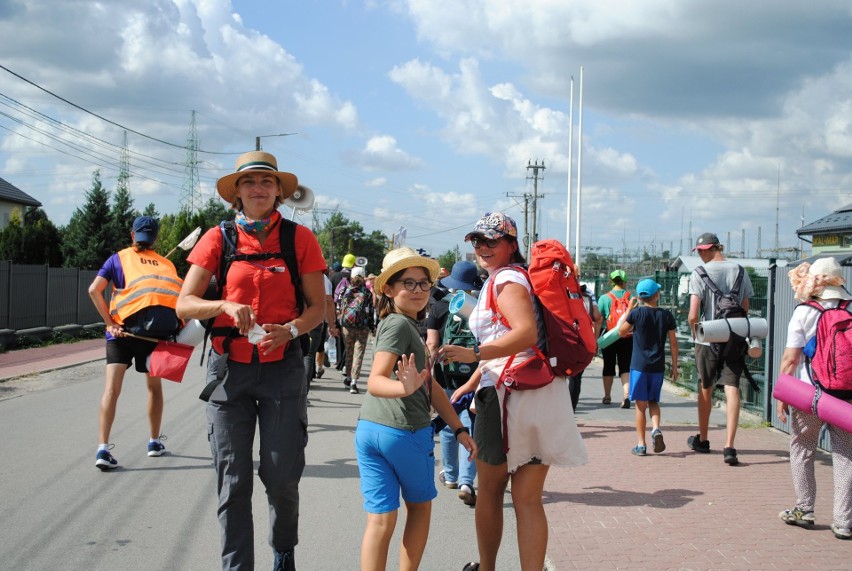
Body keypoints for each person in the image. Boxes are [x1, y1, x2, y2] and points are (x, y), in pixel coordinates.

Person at [175, 150, 327, 570]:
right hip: (228, 373)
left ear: (279, 191)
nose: (258, 189)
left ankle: (283, 551)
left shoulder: (300, 240)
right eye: (249, 182)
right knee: (232, 480)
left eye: (266, 182)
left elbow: (318, 308)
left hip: (283, 371)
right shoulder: (217, 239)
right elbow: (184, 304)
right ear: (236, 193)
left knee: (281, 478)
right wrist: (222, 305)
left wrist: (292, 330)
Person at [439, 212, 587, 571]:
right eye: (477, 241)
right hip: (543, 393)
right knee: (528, 498)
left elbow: (523, 334)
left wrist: (474, 355)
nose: (482, 248)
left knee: (490, 490)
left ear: (510, 244)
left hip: (508, 397)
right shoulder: (519, 277)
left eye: (491, 241)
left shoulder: (505, 280)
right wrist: (473, 380)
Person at [355, 247, 476, 571]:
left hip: (371, 430)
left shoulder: (399, 323)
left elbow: (431, 387)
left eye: (424, 283)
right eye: (408, 283)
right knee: (419, 509)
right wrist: (403, 388)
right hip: (404, 431)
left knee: (380, 521)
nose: (419, 290)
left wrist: (459, 428)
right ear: (389, 289)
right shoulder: (398, 326)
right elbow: (376, 380)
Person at [87, 215, 182, 470]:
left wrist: (110, 323)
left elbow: (94, 290)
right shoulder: (166, 264)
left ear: (133, 235)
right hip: (153, 337)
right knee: (154, 388)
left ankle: (103, 449)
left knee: (111, 391)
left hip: (121, 335)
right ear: (156, 238)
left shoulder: (118, 258)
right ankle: (153, 443)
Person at [777, 257, 852, 540]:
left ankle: (804, 509)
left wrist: (784, 394)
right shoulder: (851, 309)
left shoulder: (806, 311)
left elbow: (790, 359)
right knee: (846, 457)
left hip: (810, 396)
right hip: (846, 397)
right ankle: (844, 521)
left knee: (802, 449)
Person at [687, 232, 753, 465]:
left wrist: (697, 334)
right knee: (732, 387)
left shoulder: (699, 273)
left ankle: (703, 439)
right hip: (734, 336)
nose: (701, 256)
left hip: (708, 337)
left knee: (706, 386)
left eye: (702, 251)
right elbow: (745, 307)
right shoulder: (740, 270)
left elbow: (694, 313)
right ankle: (730, 446)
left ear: (709, 249)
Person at [426, 260, 482, 506]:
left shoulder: (439, 307)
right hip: (474, 373)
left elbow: (431, 344)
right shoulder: (481, 308)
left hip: (445, 372)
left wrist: (428, 373)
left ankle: (450, 475)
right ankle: (466, 481)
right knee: (469, 424)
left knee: (449, 421)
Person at [618, 279, 678, 456]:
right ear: (657, 295)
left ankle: (641, 444)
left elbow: (621, 332)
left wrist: (629, 309)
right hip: (657, 366)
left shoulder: (636, 314)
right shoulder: (666, 315)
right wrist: (675, 366)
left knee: (639, 406)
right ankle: (656, 429)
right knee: (653, 401)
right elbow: (674, 343)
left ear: (640, 297)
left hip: (639, 366)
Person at [598, 269, 634, 408]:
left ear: (611, 282)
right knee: (625, 367)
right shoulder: (631, 297)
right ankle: (626, 395)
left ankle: (607, 396)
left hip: (610, 336)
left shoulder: (605, 298)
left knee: (608, 366)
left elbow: (598, 319)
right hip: (627, 336)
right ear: (624, 281)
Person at [338, 266, 375, 394]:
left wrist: (338, 324)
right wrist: (372, 326)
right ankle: (354, 382)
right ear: (364, 277)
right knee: (359, 354)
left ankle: (348, 377)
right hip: (362, 326)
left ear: (351, 276)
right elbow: (370, 311)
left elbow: (339, 307)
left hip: (347, 326)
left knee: (349, 352)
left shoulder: (344, 290)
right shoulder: (367, 292)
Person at [567, 284, 603, 411]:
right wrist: (594, 339)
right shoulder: (587, 291)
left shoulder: (557, 286)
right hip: (583, 340)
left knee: (555, 377)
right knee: (575, 377)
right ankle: (571, 411)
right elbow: (597, 317)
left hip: (561, 338)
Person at [333, 254, 356, 375]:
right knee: (349, 339)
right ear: (353, 264)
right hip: (350, 314)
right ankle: (345, 363)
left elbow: (331, 297)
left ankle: (338, 360)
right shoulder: (355, 277)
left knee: (338, 337)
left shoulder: (335, 276)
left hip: (336, 312)